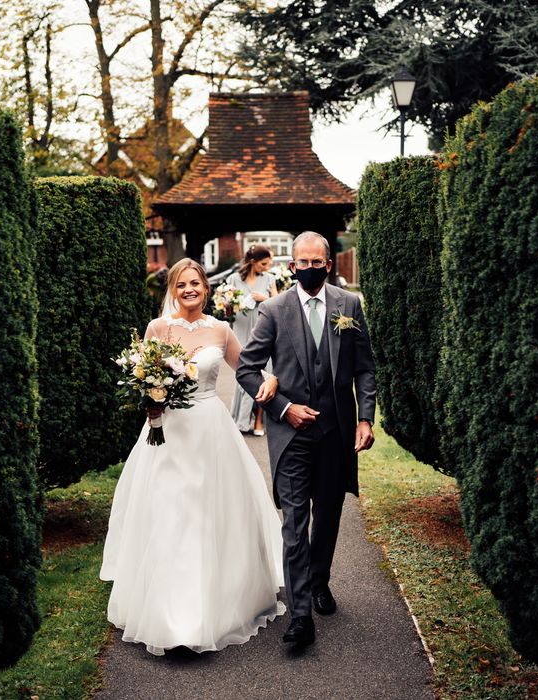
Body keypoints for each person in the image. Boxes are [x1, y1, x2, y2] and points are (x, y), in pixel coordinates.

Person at [100, 258, 285, 656]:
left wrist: (270, 378)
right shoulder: (158, 328)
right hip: (166, 433)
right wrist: (149, 402)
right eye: (181, 284)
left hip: (210, 434)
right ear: (172, 288)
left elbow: (246, 367)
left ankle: (210, 607)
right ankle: (169, 613)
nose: (189, 290)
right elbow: (142, 377)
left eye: (195, 284)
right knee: (169, 513)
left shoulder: (219, 329)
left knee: (208, 514)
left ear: (206, 288)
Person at [236, 231, 376, 647]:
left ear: (328, 265)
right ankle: (300, 617)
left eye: (318, 262)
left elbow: (364, 368)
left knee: (328, 518)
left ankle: (319, 582)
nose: (311, 268)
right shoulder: (275, 311)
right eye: (303, 262)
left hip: (335, 433)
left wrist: (365, 419)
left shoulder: (348, 305)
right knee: (295, 526)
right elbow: (247, 369)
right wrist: (282, 407)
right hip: (291, 434)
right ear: (292, 265)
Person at [226, 244, 278, 435]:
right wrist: (229, 303)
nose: (267, 266)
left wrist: (264, 298)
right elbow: (226, 309)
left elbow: (278, 303)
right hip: (240, 330)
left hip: (263, 331)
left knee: (264, 375)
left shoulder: (269, 278)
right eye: (264, 263)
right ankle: (241, 419)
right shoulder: (233, 279)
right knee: (242, 374)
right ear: (253, 262)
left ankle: (258, 421)